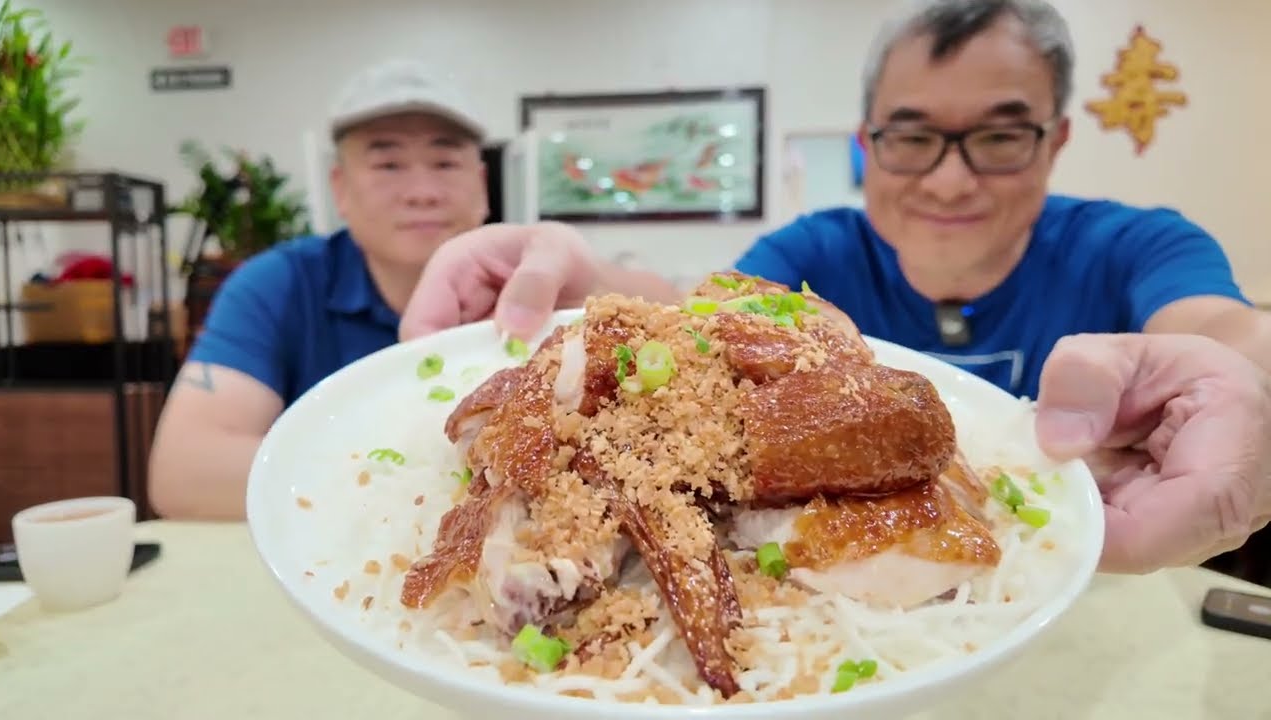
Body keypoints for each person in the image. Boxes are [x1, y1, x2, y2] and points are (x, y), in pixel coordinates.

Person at [397, 0, 1271, 574]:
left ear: (1058, 139)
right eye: (912, 137)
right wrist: (591, 285)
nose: (950, 181)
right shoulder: (814, 254)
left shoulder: (1136, 246)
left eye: (1000, 138)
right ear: (867, 139)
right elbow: (694, 321)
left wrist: (1247, 383)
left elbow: (1226, 332)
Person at [148, 59, 492, 520]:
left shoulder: (533, 288)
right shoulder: (276, 285)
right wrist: (412, 476)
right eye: (388, 164)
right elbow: (185, 473)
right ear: (340, 188)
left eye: (445, 162)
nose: (421, 192)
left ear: (482, 185)